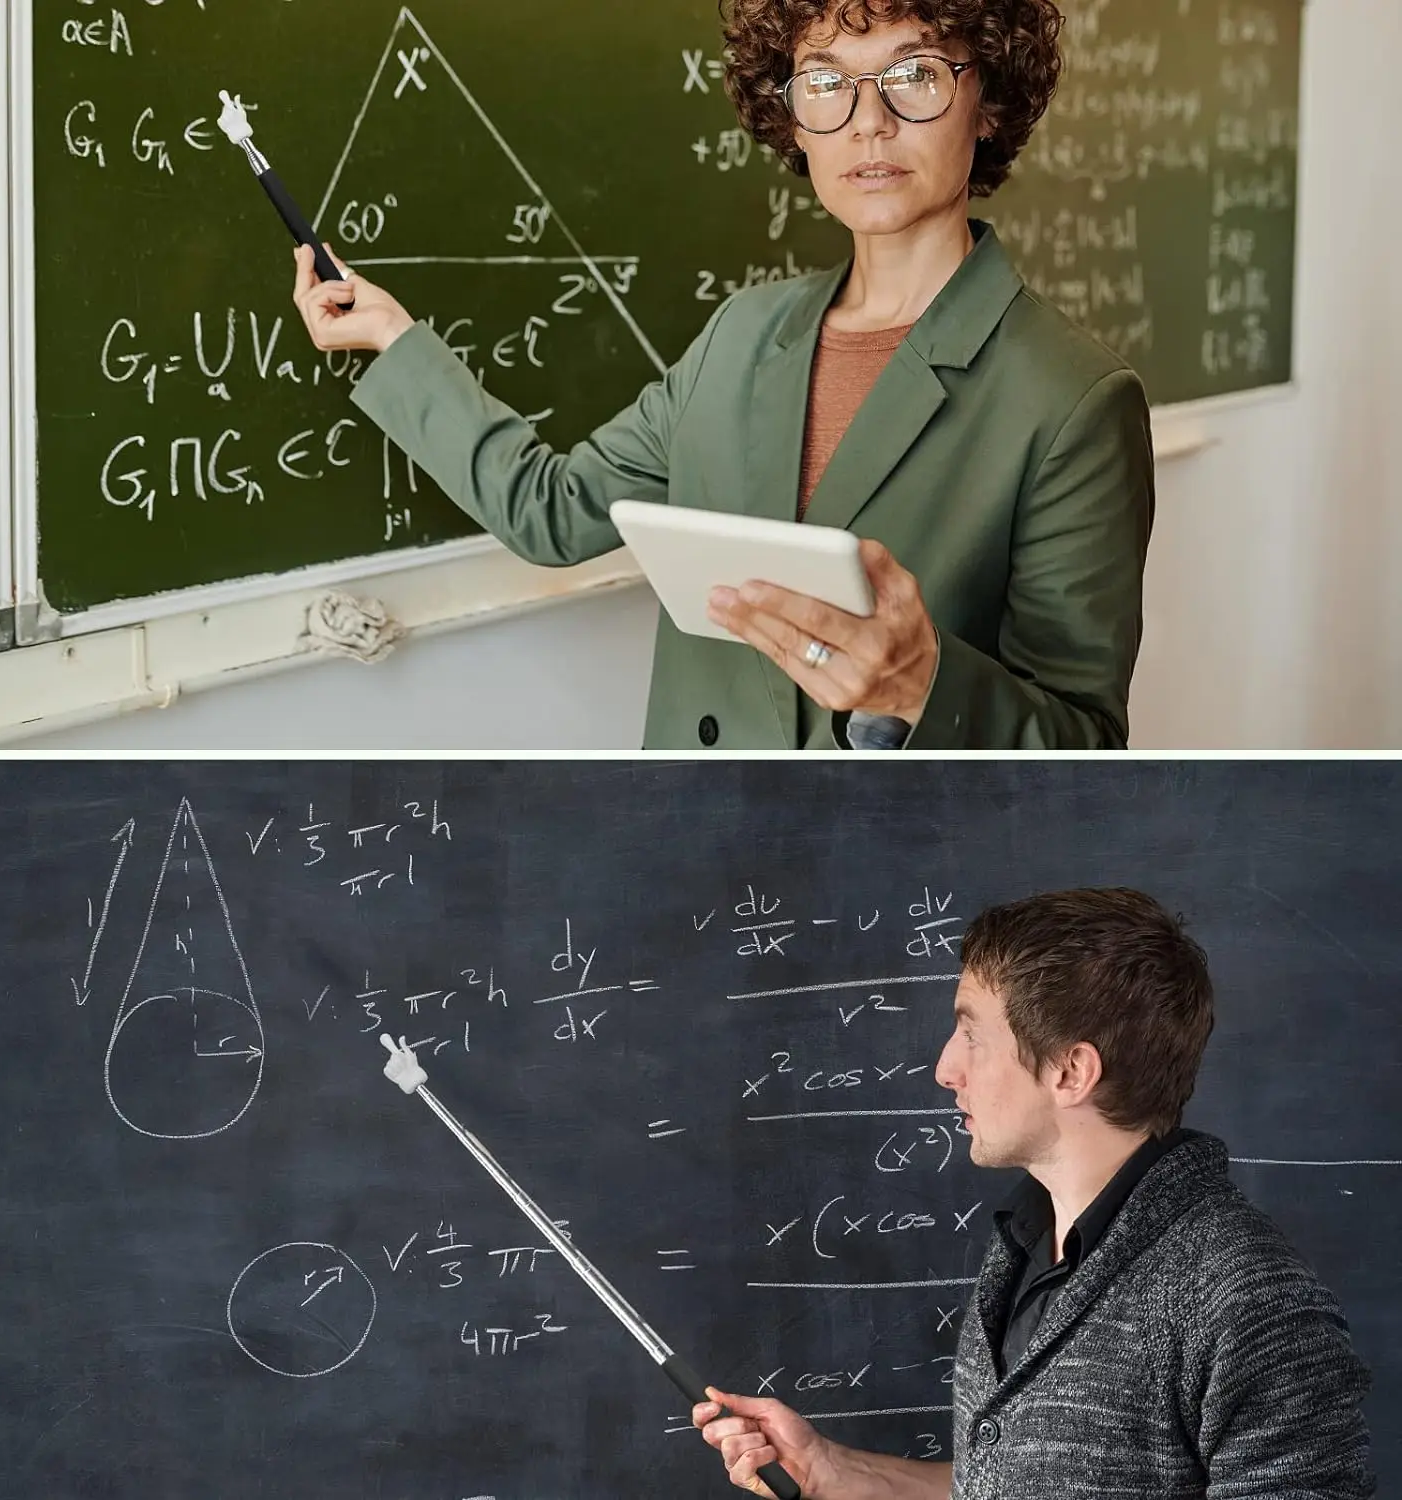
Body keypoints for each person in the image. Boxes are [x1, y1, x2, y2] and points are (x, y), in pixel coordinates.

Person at [292, 0, 1154, 749]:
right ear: (792, 115)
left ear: (990, 100)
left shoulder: (1072, 399)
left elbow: (1081, 737)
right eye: (826, 82)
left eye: (915, 75)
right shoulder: (743, 335)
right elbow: (552, 514)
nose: (867, 122)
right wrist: (393, 339)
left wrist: (925, 685)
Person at [692, 888, 1376, 1498]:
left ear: (1070, 1071)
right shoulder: (1024, 1254)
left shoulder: (1245, 1296)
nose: (944, 1069)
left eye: (971, 1033)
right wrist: (834, 1471)